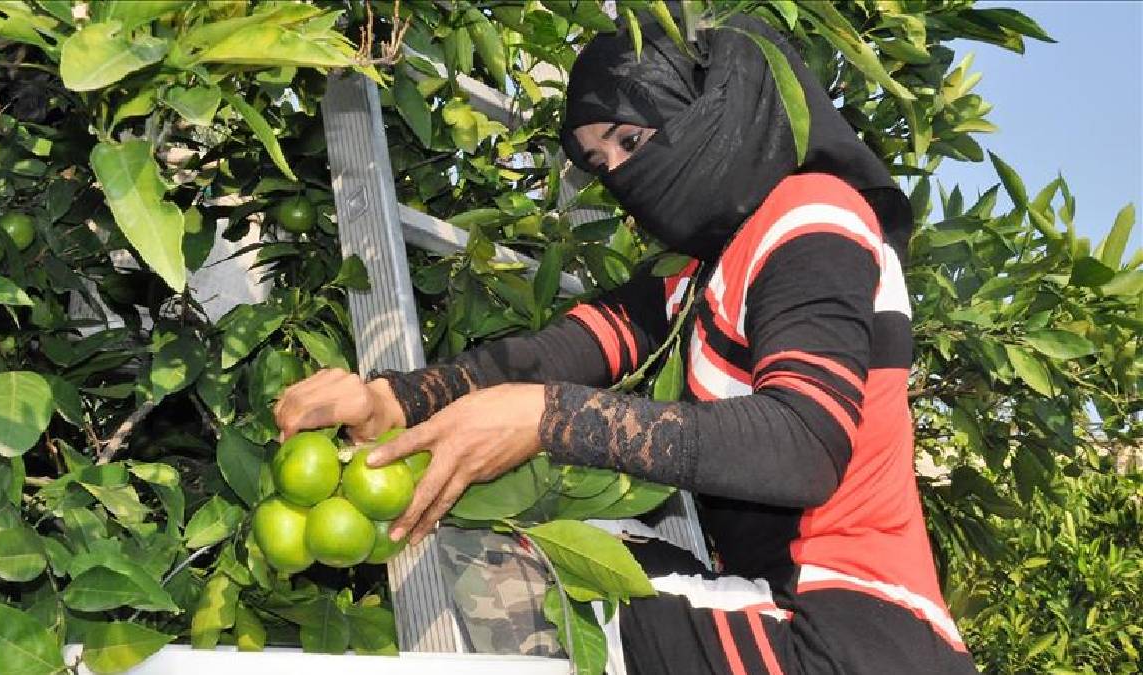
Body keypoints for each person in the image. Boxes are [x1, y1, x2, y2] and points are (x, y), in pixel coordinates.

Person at [274, 12, 978, 675]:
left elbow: (802, 442)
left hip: (855, 640)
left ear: (706, 107)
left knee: (513, 585)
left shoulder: (814, 215)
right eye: (600, 161)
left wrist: (545, 419)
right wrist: (391, 398)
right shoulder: (697, 280)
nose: (620, 173)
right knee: (539, 553)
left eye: (631, 140)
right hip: (786, 614)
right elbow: (561, 349)